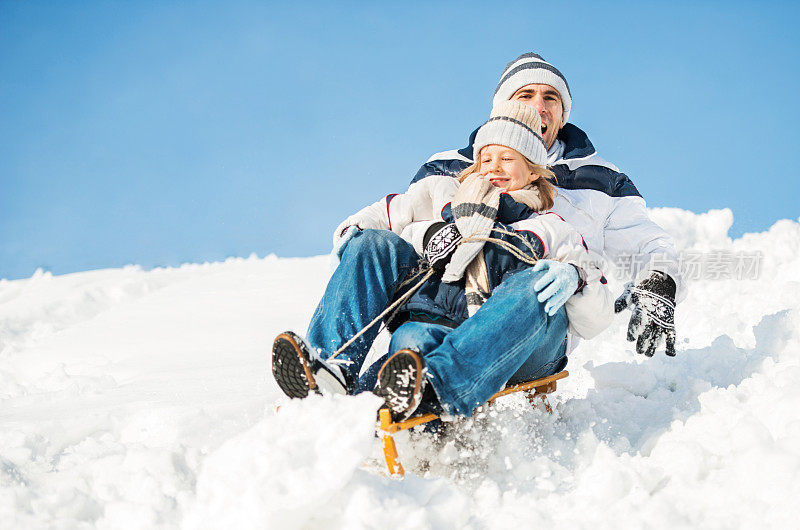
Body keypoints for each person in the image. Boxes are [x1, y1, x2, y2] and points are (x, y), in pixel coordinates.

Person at [272, 100, 614, 420]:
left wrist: (575, 278)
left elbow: (596, 317)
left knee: (534, 283)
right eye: (486, 159)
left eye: (508, 159)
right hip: (437, 327)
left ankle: (441, 385)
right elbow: (381, 215)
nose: (494, 168)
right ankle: (332, 374)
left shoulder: (551, 227)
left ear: (534, 171)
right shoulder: (441, 196)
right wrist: (352, 241)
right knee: (378, 256)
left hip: (522, 347)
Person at [412, 53, 685, 358]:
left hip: (540, 328)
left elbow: (646, 242)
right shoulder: (450, 167)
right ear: (503, 108)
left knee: (530, 290)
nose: (539, 106)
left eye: (550, 98)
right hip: (446, 310)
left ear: (562, 113)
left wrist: (660, 278)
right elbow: (407, 231)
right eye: (526, 95)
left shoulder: (601, 179)